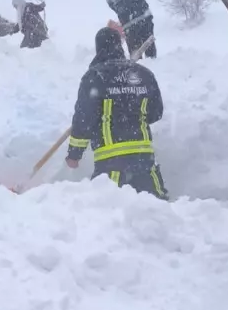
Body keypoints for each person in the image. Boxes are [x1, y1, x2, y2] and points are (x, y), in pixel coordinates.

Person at [65, 27, 167, 199]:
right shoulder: (143, 74)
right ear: (120, 46)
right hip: (144, 161)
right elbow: (155, 113)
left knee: (108, 213)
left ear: (99, 48)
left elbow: (84, 119)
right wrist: (133, 113)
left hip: (111, 164)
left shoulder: (95, 77)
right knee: (157, 211)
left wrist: (74, 154)